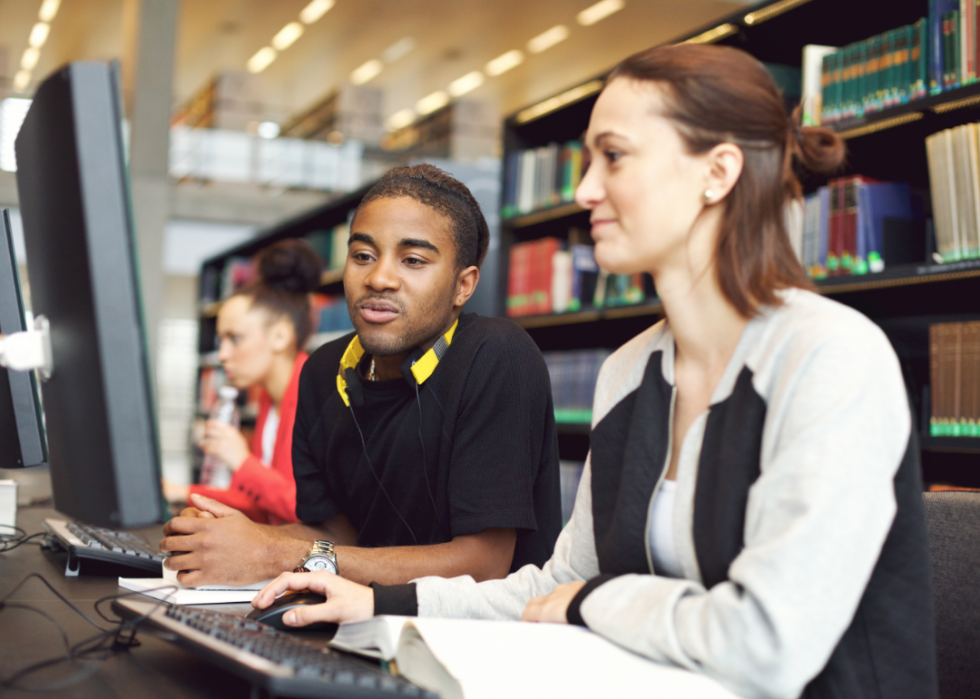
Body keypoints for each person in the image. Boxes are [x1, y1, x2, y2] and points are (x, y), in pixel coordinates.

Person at [253, 45, 938, 699]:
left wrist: (597, 601)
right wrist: (375, 600)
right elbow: (554, 583)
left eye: (613, 157)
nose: (585, 190)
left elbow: (767, 641)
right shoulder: (631, 371)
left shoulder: (832, 357)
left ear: (718, 171)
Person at [161, 164, 563, 589]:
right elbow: (337, 537)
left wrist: (270, 553)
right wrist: (226, 536)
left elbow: (482, 564)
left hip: (472, 643)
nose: (379, 278)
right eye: (363, 256)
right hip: (359, 624)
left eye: (412, 260)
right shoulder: (323, 371)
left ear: (463, 286)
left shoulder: (496, 354)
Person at [162, 239, 321, 525]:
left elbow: (305, 509)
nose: (222, 355)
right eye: (221, 339)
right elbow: (259, 502)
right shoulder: (268, 398)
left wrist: (241, 460)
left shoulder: (314, 397)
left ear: (280, 337)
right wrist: (179, 492)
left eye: (235, 338)